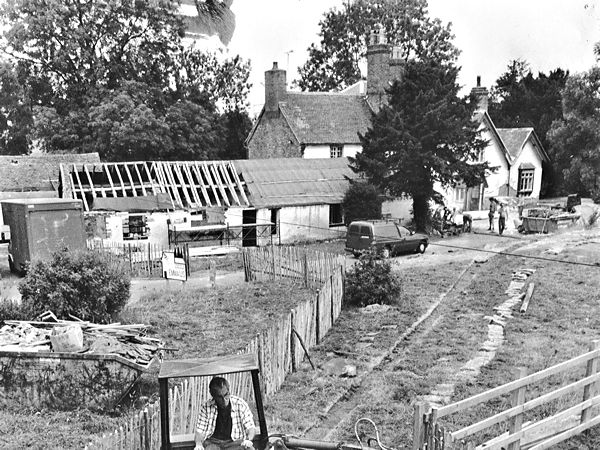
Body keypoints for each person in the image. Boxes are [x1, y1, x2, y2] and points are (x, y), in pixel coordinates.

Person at [195, 377, 256, 450]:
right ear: (213, 395)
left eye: (226, 395)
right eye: (220, 397)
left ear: (229, 391)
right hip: (213, 443)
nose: (224, 400)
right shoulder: (206, 407)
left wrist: (248, 440)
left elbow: (250, 427)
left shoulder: (240, 404)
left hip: (235, 442)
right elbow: (200, 431)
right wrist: (198, 444)